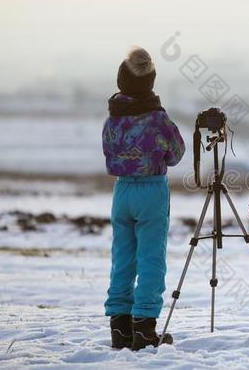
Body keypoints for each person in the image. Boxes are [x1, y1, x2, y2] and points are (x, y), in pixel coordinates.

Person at [102, 47, 185, 350]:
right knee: (150, 259)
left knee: (122, 259)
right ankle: (144, 328)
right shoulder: (157, 119)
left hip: (122, 190)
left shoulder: (112, 118)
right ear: (150, 82)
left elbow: (109, 154)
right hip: (151, 190)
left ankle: (119, 328)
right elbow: (176, 154)